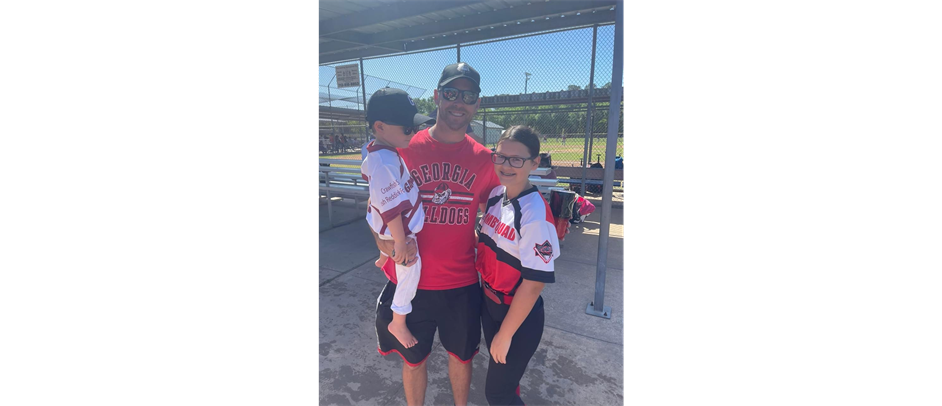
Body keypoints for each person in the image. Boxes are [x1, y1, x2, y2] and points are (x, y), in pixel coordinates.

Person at [370, 62, 499, 406]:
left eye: (468, 95)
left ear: (477, 103)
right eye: (452, 93)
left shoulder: (486, 160)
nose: (459, 102)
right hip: (412, 283)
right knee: (414, 362)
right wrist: (384, 243)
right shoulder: (403, 147)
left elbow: (499, 220)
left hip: (462, 283)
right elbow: (378, 206)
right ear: (438, 96)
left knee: (462, 358)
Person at [476, 125, 559, 406]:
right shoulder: (496, 196)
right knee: (507, 384)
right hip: (490, 305)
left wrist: (505, 334)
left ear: (535, 163)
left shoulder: (534, 214)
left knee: (497, 394)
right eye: (500, 156)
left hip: (517, 317)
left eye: (516, 159)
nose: (506, 165)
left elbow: (535, 283)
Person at [362, 87, 435, 350]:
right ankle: (398, 321)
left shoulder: (381, 152)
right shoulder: (384, 160)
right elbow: (391, 207)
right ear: (380, 126)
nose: (413, 133)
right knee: (411, 270)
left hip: (385, 225)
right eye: (407, 128)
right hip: (396, 230)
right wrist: (401, 242)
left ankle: (383, 257)